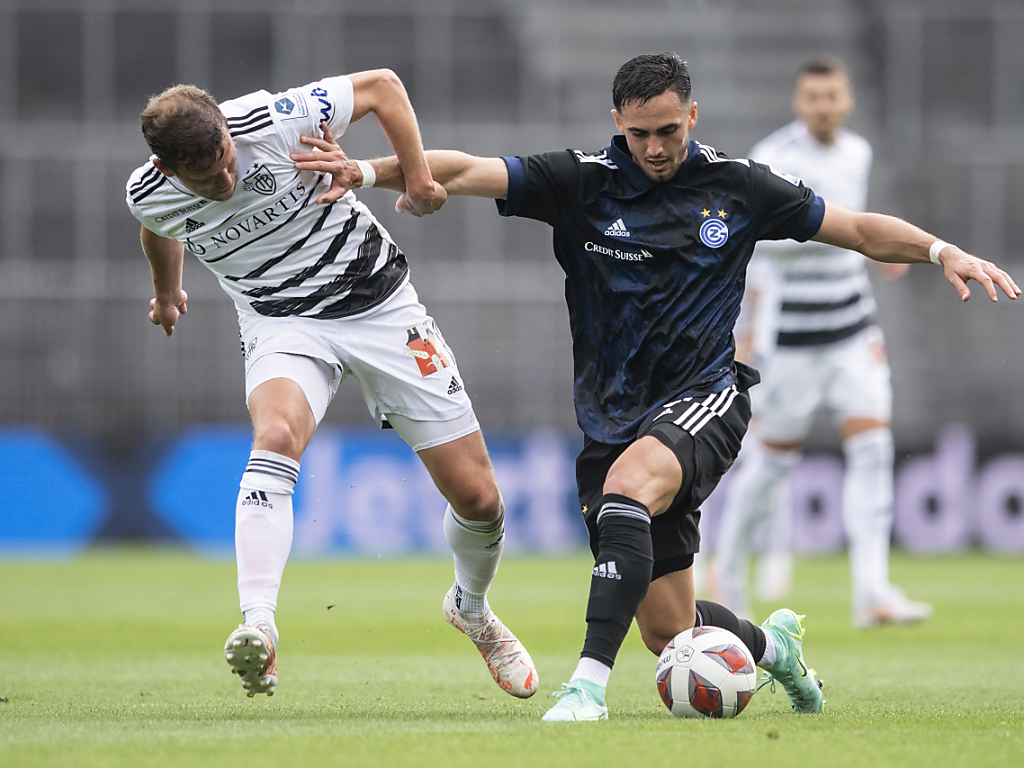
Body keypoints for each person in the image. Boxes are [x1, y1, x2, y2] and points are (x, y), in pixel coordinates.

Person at [292, 53, 1019, 721]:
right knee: (669, 630)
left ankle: (586, 688)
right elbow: (463, 170)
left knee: (627, 490)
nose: (656, 147)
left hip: (708, 397)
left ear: (692, 116)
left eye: (669, 130)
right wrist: (368, 171)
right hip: (611, 417)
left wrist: (939, 250)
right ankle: (775, 648)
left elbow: (856, 228)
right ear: (618, 122)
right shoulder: (582, 181)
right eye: (640, 133)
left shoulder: (739, 187)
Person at [124, 71, 538, 701]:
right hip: (281, 323)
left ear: (228, 132)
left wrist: (417, 177)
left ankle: (471, 608)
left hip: (381, 305)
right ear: (167, 168)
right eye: (206, 179)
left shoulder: (272, 119)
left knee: (479, 498)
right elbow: (159, 226)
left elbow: (384, 87)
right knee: (276, 436)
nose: (226, 180)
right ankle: (260, 627)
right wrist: (166, 292)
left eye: (228, 161)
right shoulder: (148, 191)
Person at [714, 56, 933, 628]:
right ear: (798, 102)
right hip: (792, 339)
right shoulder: (773, 157)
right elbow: (758, 241)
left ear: (848, 99)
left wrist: (872, 249)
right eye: (813, 97)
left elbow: (854, 224)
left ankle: (873, 592)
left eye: (832, 96)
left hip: (853, 331)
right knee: (770, 465)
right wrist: (849, 237)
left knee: (873, 450)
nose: (824, 107)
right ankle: (728, 579)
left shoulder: (858, 152)